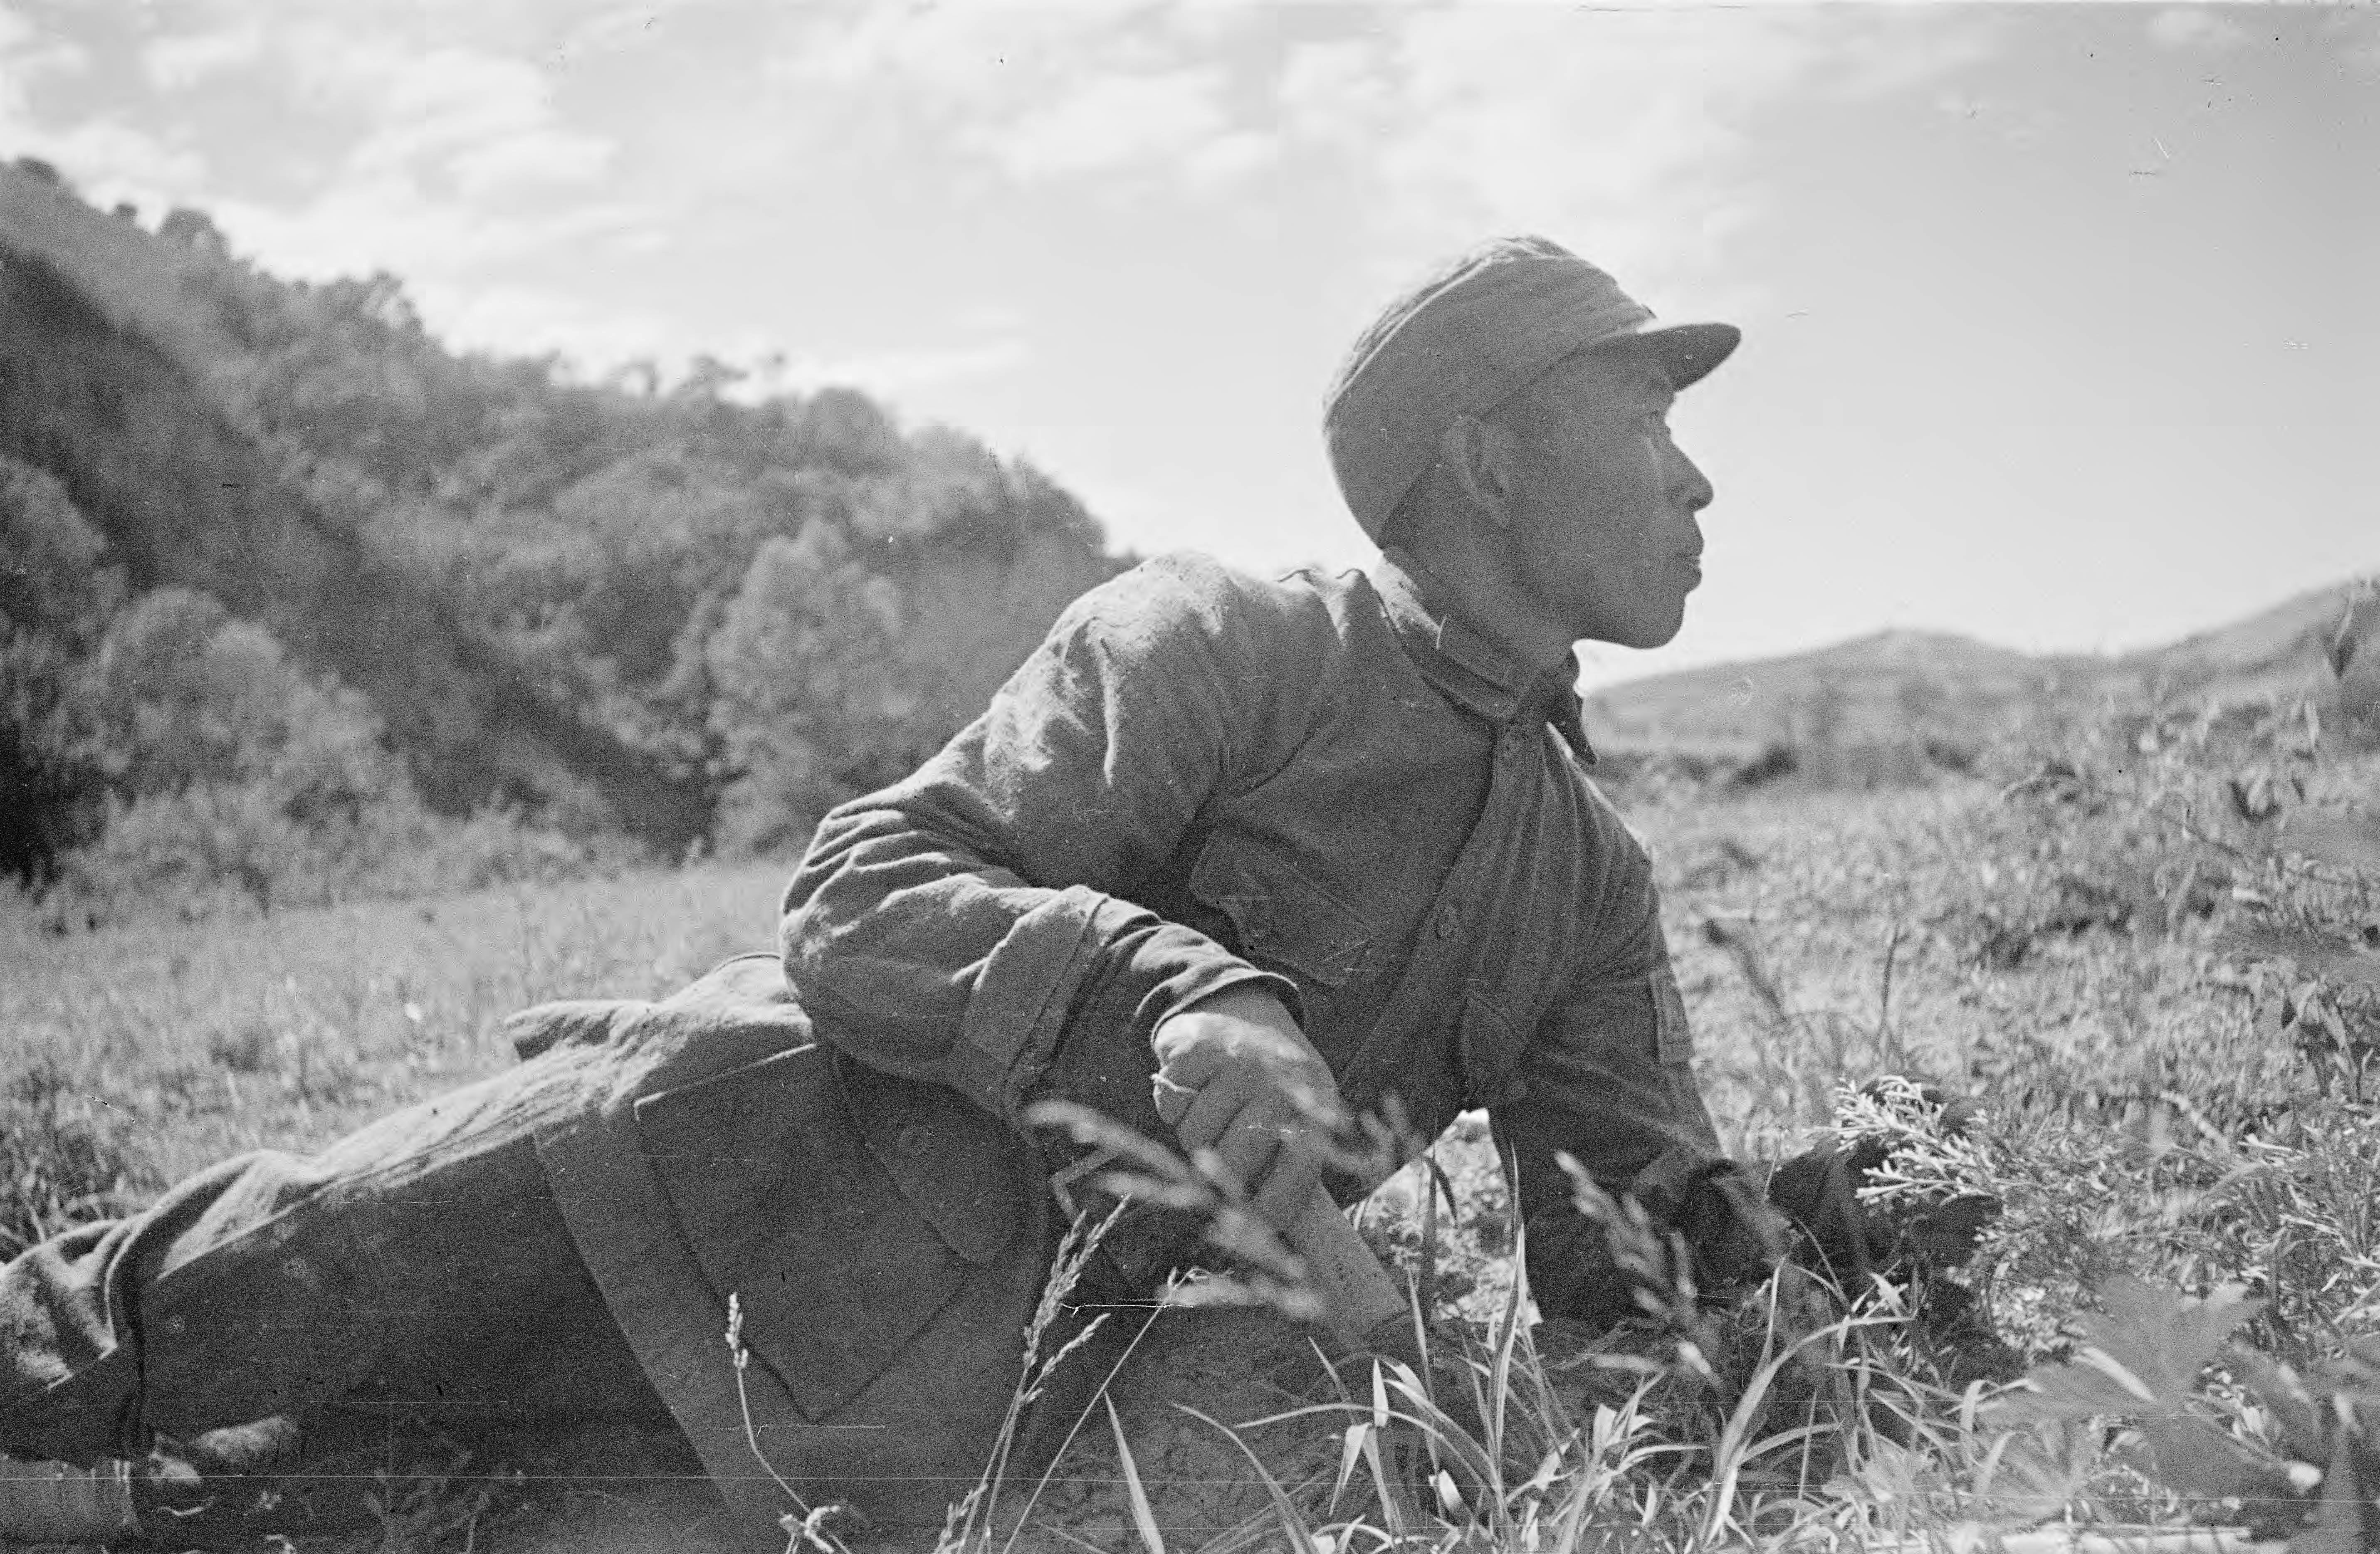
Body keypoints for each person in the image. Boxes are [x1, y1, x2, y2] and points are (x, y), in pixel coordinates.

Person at [0, 237, 1893, 1549]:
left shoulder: (1587, 873)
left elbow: (1618, 1244)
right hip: (660, 1182)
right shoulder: (1221, 640)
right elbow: (859, 884)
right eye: (1644, 425)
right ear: (1486, 456)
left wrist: (1812, 1220)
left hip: (862, 1440)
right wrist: (1169, 987)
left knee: (259, 1507)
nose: (1698, 482)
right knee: (110, 1352)